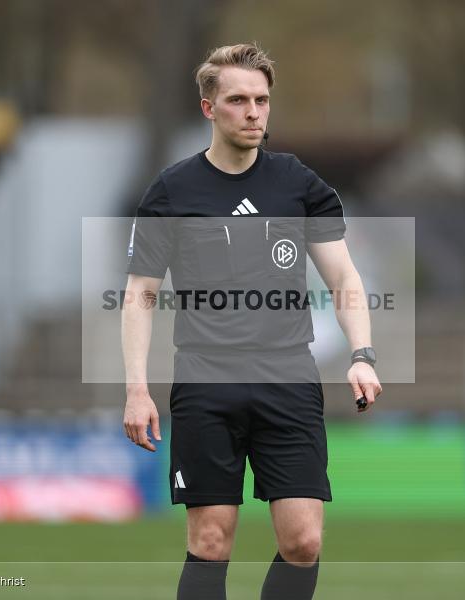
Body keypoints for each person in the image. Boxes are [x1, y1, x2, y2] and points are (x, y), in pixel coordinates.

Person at [122, 43, 382, 599]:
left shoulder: (297, 184)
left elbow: (344, 279)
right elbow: (140, 293)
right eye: (238, 100)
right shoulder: (172, 191)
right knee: (211, 540)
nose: (254, 112)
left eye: (262, 100)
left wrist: (362, 354)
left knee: (303, 541)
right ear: (208, 108)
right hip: (205, 381)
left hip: (287, 377)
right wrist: (137, 389)